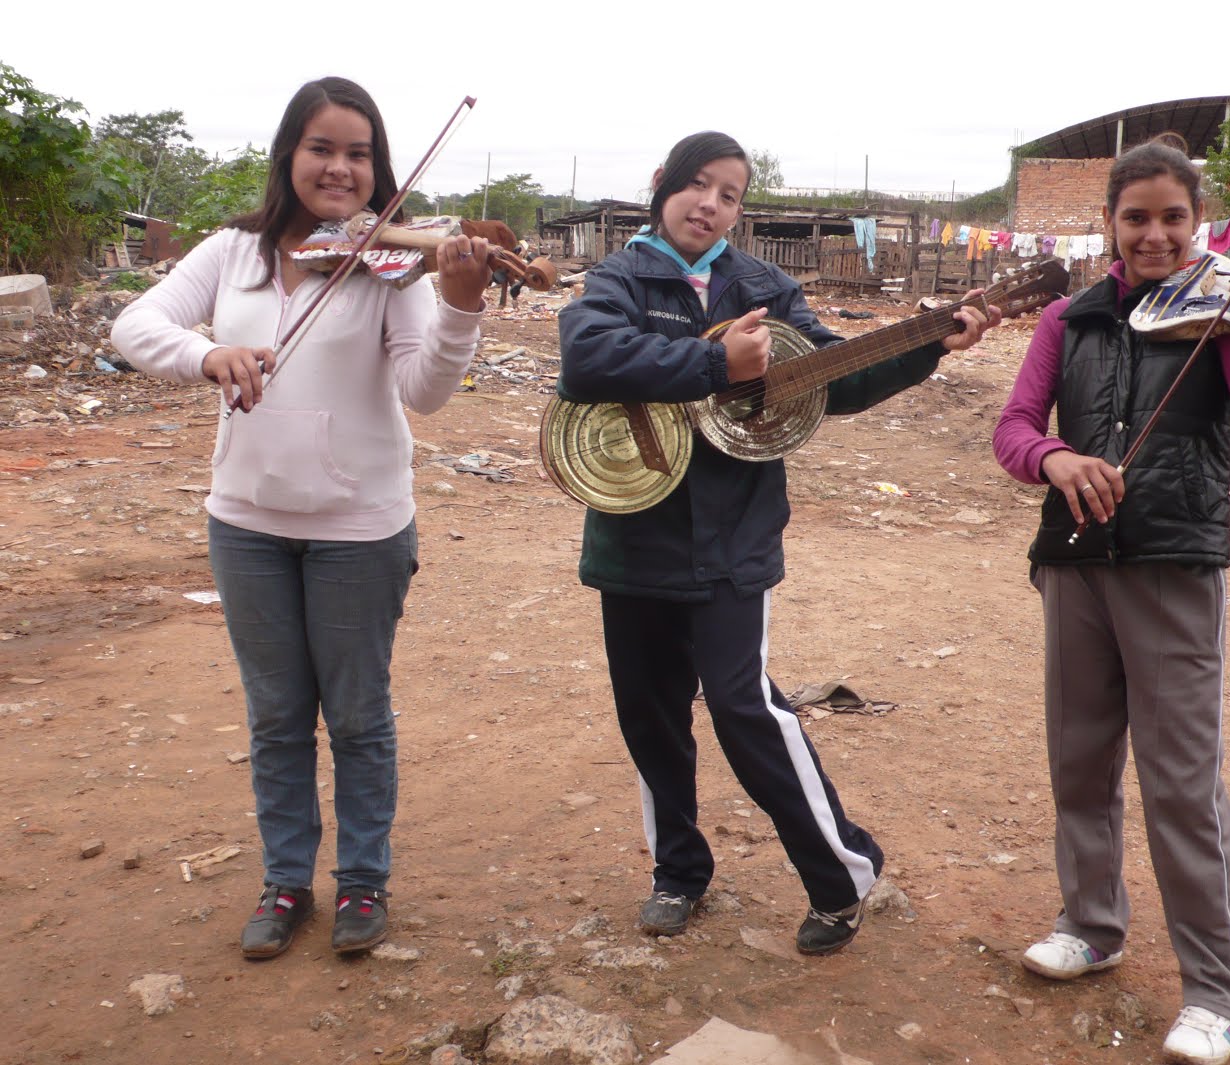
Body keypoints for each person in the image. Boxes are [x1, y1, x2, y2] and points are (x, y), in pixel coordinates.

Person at [556, 130, 999, 956]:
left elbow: (835, 377)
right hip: (632, 541)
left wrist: (929, 344)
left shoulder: (764, 286)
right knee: (650, 717)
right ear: (662, 186)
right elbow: (586, 359)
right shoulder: (620, 277)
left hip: (733, 539)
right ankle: (677, 872)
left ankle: (842, 873)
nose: (710, 204)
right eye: (697, 185)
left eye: (729, 195)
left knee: (742, 704)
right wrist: (713, 362)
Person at [991, 134, 1230, 1065]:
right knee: (1079, 763)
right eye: (1138, 218)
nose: (1156, 236)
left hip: (1174, 563)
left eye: (1174, 217)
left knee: (1180, 786)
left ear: (1198, 223)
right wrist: (1057, 457)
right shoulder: (1070, 319)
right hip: (1075, 561)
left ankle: (1217, 989)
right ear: (1110, 224)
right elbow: (1012, 430)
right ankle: (1092, 924)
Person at [111, 76, 490, 959]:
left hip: (360, 526)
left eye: (360, 154)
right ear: (290, 153)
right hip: (244, 523)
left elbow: (424, 394)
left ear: (379, 169)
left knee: (358, 714)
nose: (341, 168)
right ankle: (286, 883)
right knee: (276, 715)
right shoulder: (231, 252)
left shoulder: (394, 271)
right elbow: (137, 326)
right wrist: (210, 352)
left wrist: (462, 306)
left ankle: (362, 883)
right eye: (323, 147)